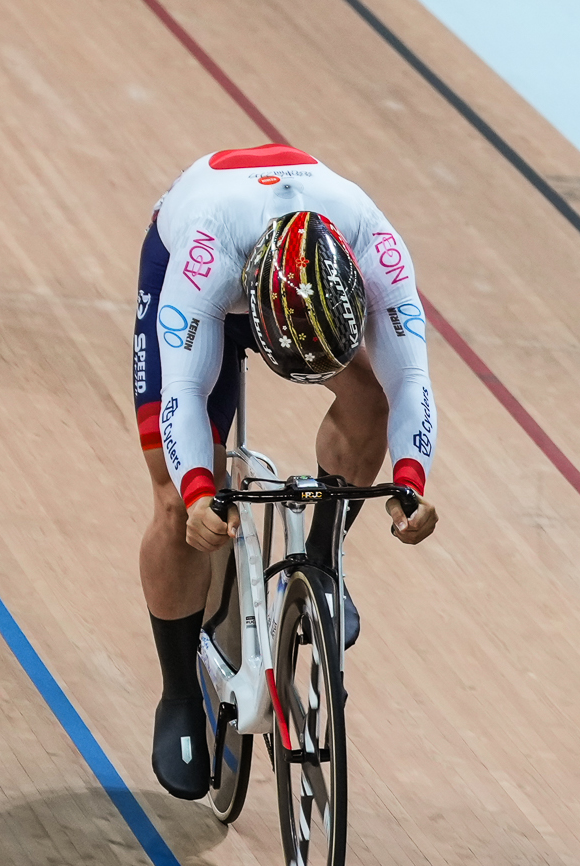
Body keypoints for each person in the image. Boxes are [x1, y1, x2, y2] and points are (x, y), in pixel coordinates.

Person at [134, 144, 439, 801]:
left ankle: (322, 559)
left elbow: (410, 378)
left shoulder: (371, 238)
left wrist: (411, 477)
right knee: (173, 501)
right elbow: (183, 394)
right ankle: (179, 690)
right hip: (195, 264)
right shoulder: (206, 253)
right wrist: (194, 493)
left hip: (300, 276)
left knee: (372, 402)